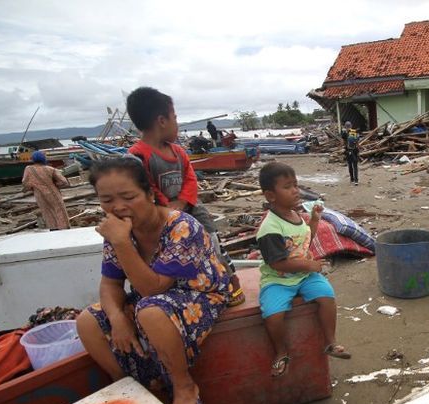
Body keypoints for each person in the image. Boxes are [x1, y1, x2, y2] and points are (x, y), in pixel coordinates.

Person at [76, 157, 230, 404]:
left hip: (202, 294)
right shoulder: (119, 231)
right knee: (88, 321)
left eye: (128, 197)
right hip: (153, 299)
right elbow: (110, 283)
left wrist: (122, 242)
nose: (118, 207)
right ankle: (131, 387)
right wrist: (117, 318)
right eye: (107, 200)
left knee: (150, 311)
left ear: (149, 194)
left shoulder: (182, 226)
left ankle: (184, 385)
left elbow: (154, 288)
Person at [125, 87, 245, 306]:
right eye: (175, 118)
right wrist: (167, 207)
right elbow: (145, 187)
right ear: (162, 121)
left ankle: (229, 281)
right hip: (159, 214)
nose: (177, 123)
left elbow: (190, 178)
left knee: (213, 241)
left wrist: (181, 202)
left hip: (190, 206)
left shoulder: (178, 151)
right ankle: (182, 292)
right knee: (167, 253)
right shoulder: (137, 156)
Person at [257, 162, 351, 377]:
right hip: (278, 279)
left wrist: (315, 220)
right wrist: (309, 264)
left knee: (327, 296)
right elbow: (277, 263)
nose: (295, 191)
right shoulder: (270, 228)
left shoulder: (295, 215)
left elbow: (305, 240)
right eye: (287, 187)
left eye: (295, 185)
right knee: (273, 315)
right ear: (271, 196)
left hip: (303, 275)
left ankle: (330, 342)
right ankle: (281, 352)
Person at [21, 150, 71, 230]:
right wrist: (56, 185)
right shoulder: (51, 169)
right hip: (53, 192)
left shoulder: (28, 169)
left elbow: (25, 182)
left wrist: (32, 187)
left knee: (46, 211)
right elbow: (64, 182)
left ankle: (53, 228)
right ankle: (63, 228)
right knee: (59, 210)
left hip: (39, 194)